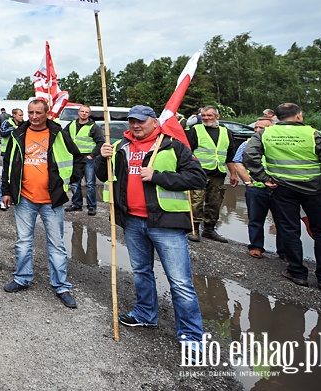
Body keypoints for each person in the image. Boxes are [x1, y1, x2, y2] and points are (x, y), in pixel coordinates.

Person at [97, 105, 206, 351]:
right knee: (141, 272)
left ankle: (191, 336)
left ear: (154, 122)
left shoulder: (172, 145)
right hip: (133, 221)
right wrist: (102, 156)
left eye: (140, 121)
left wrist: (157, 176)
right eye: (131, 121)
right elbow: (106, 177)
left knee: (179, 282)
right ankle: (146, 315)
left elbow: (198, 178)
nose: (135, 125)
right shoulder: (120, 147)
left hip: (165, 224)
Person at [244, 103, 321, 292]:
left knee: (289, 229)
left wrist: (263, 178)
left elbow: (249, 155)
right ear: (299, 116)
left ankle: (297, 272)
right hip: (314, 189)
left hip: (282, 189)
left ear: (277, 117)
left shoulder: (265, 134)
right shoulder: (313, 134)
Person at [1, 99, 83, 309]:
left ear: (47, 113)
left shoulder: (59, 134)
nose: (34, 117)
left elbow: (78, 158)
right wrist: (6, 191)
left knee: (56, 244)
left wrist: (67, 182)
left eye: (39, 112)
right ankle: (22, 278)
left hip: (52, 200)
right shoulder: (17, 134)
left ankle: (61, 286)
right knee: (23, 242)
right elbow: (8, 164)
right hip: (25, 198)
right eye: (31, 112)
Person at [231, 117, 287, 259]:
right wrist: (249, 183)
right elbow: (238, 163)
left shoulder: (280, 144)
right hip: (256, 188)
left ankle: (284, 251)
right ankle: (256, 247)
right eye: (255, 127)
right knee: (255, 220)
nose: (256, 130)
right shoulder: (247, 144)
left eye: (261, 128)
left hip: (279, 188)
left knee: (282, 221)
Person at [184, 106, 239, 242]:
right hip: (198, 174)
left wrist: (233, 174)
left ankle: (209, 230)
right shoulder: (195, 130)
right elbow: (186, 152)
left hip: (218, 174)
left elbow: (230, 157)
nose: (206, 118)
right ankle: (194, 229)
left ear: (217, 116)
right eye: (203, 115)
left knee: (215, 203)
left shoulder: (226, 133)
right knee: (196, 202)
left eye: (209, 115)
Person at [64, 105, 105, 216]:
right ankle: (76, 204)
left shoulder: (93, 127)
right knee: (74, 182)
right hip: (75, 157)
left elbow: (101, 141)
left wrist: (92, 155)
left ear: (89, 114)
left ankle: (91, 206)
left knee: (90, 183)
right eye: (82, 111)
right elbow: (63, 137)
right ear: (78, 112)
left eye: (86, 112)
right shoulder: (71, 124)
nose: (84, 113)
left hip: (88, 158)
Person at [0, 108, 24, 210]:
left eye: (22, 115)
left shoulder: (23, 124)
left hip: (17, 154)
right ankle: (1, 199)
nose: (22, 117)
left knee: (15, 176)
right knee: (5, 175)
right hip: (7, 153)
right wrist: (14, 128)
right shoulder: (7, 123)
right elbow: (2, 132)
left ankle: (12, 198)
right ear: (14, 115)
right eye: (20, 115)